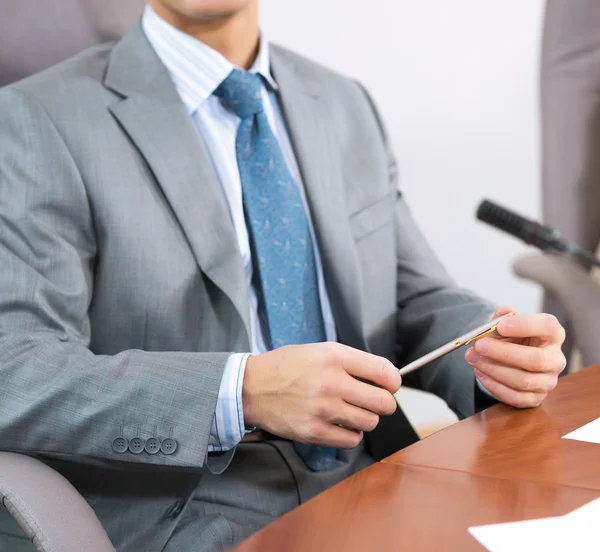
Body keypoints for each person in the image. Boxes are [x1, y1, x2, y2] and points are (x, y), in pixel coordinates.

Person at [0, 1, 566, 550]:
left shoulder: (343, 102)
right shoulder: (37, 119)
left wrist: (491, 355)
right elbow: (15, 372)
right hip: (192, 506)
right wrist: (242, 391)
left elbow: (413, 296)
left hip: (380, 469)